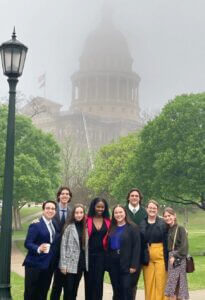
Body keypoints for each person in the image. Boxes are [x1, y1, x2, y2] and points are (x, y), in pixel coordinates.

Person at [23, 200, 60, 300]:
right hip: (34, 264)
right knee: (31, 292)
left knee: (43, 292)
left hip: (48, 265)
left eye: (53, 209)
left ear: (55, 211)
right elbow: (27, 243)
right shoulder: (36, 224)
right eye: (48, 208)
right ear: (43, 210)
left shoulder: (55, 224)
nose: (50, 210)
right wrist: (38, 248)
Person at [107, 205, 141, 300]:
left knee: (126, 289)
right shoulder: (111, 227)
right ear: (113, 215)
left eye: (120, 212)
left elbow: (136, 247)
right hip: (113, 263)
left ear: (125, 213)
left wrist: (134, 265)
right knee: (116, 289)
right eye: (116, 213)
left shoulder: (133, 227)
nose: (118, 215)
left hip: (127, 263)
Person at [140, 199, 168, 300]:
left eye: (154, 208)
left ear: (157, 210)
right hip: (147, 255)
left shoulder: (163, 223)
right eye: (150, 208)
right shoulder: (142, 223)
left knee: (161, 282)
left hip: (160, 254)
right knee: (149, 282)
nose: (152, 210)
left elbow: (173, 229)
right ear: (147, 209)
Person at [59, 204, 89, 300]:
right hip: (69, 264)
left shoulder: (86, 228)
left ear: (84, 214)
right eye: (76, 213)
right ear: (73, 214)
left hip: (80, 264)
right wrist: (63, 265)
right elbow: (63, 246)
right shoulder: (69, 227)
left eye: (81, 212)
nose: (79, 215)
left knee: (75, 290)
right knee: (68, 290)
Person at [50, 186, 72, 300]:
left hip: (68, 253)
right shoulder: (52, 209)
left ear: (70, 197)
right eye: (62, 193)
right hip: (53, 252)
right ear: (59, 195)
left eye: (67, 194)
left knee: (68, 285)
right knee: (56, 285)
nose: (65, 195)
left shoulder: (72, 212)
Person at [125, 188, 147, 299]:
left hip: (138, 253)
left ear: (140, 198)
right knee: (121, 283)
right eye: (132, 195)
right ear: (128, 197)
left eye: (136, 196)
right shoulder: (122, 211)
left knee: (133, 282)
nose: (134, 197)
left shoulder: (145, 212)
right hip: (123, 252)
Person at [86, 197, 111, 300]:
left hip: (102, 256)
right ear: (93, 207)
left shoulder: (108, 221)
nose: (100, 209)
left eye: (102, 207)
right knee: (89, 282)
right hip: (89, 255)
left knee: (98, 282)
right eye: (98, 207)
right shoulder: (87, 219)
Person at [163, 207, 189, 300]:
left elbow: (184, 246)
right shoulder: (169, 229)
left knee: (177, 284)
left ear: (174, 216)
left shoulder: (180, 228)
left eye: (169, 215)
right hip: (171, 258)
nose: (167, 218)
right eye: (165, 216)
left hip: (178, 258)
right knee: (174, 284)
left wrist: (175, 256)